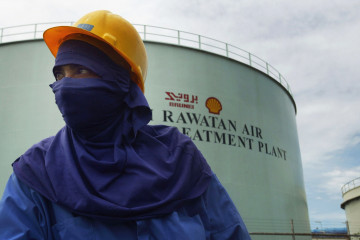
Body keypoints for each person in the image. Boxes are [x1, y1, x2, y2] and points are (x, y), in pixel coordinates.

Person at [0, 10, 251, 239]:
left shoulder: (180, 158)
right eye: (59, 74)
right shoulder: (36, 172)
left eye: (80, 70)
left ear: (121, 80)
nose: (65, 86)